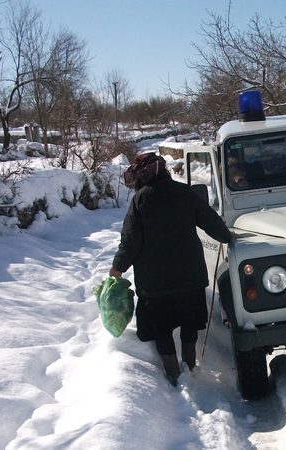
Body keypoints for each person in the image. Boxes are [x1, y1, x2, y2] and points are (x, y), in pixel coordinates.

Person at [109, 153, 232, 386]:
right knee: (188, 322)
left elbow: (130, 242)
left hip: (155, 283)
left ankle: (174, 376)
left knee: (161, 328)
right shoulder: (185, 193)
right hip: (190, 277)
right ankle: (190, 367)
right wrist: (228, 237)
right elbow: (210, 220)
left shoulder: (140, 200)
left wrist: (117, 268)